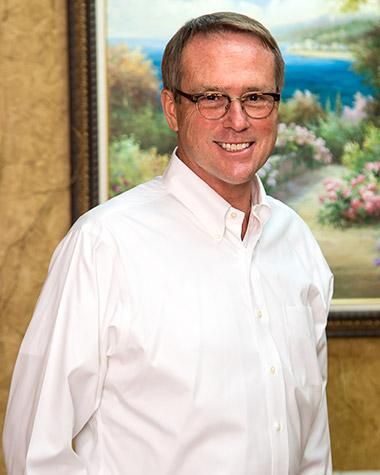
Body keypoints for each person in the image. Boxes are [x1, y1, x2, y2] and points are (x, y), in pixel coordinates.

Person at [3, 11, 333, 475]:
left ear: (275, 105)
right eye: (212, 98)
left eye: (255, 97)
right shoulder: (103, 246)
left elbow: (312, 438)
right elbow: (36, 450)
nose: (237, 120)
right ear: (172, 108)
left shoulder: (297, 242)